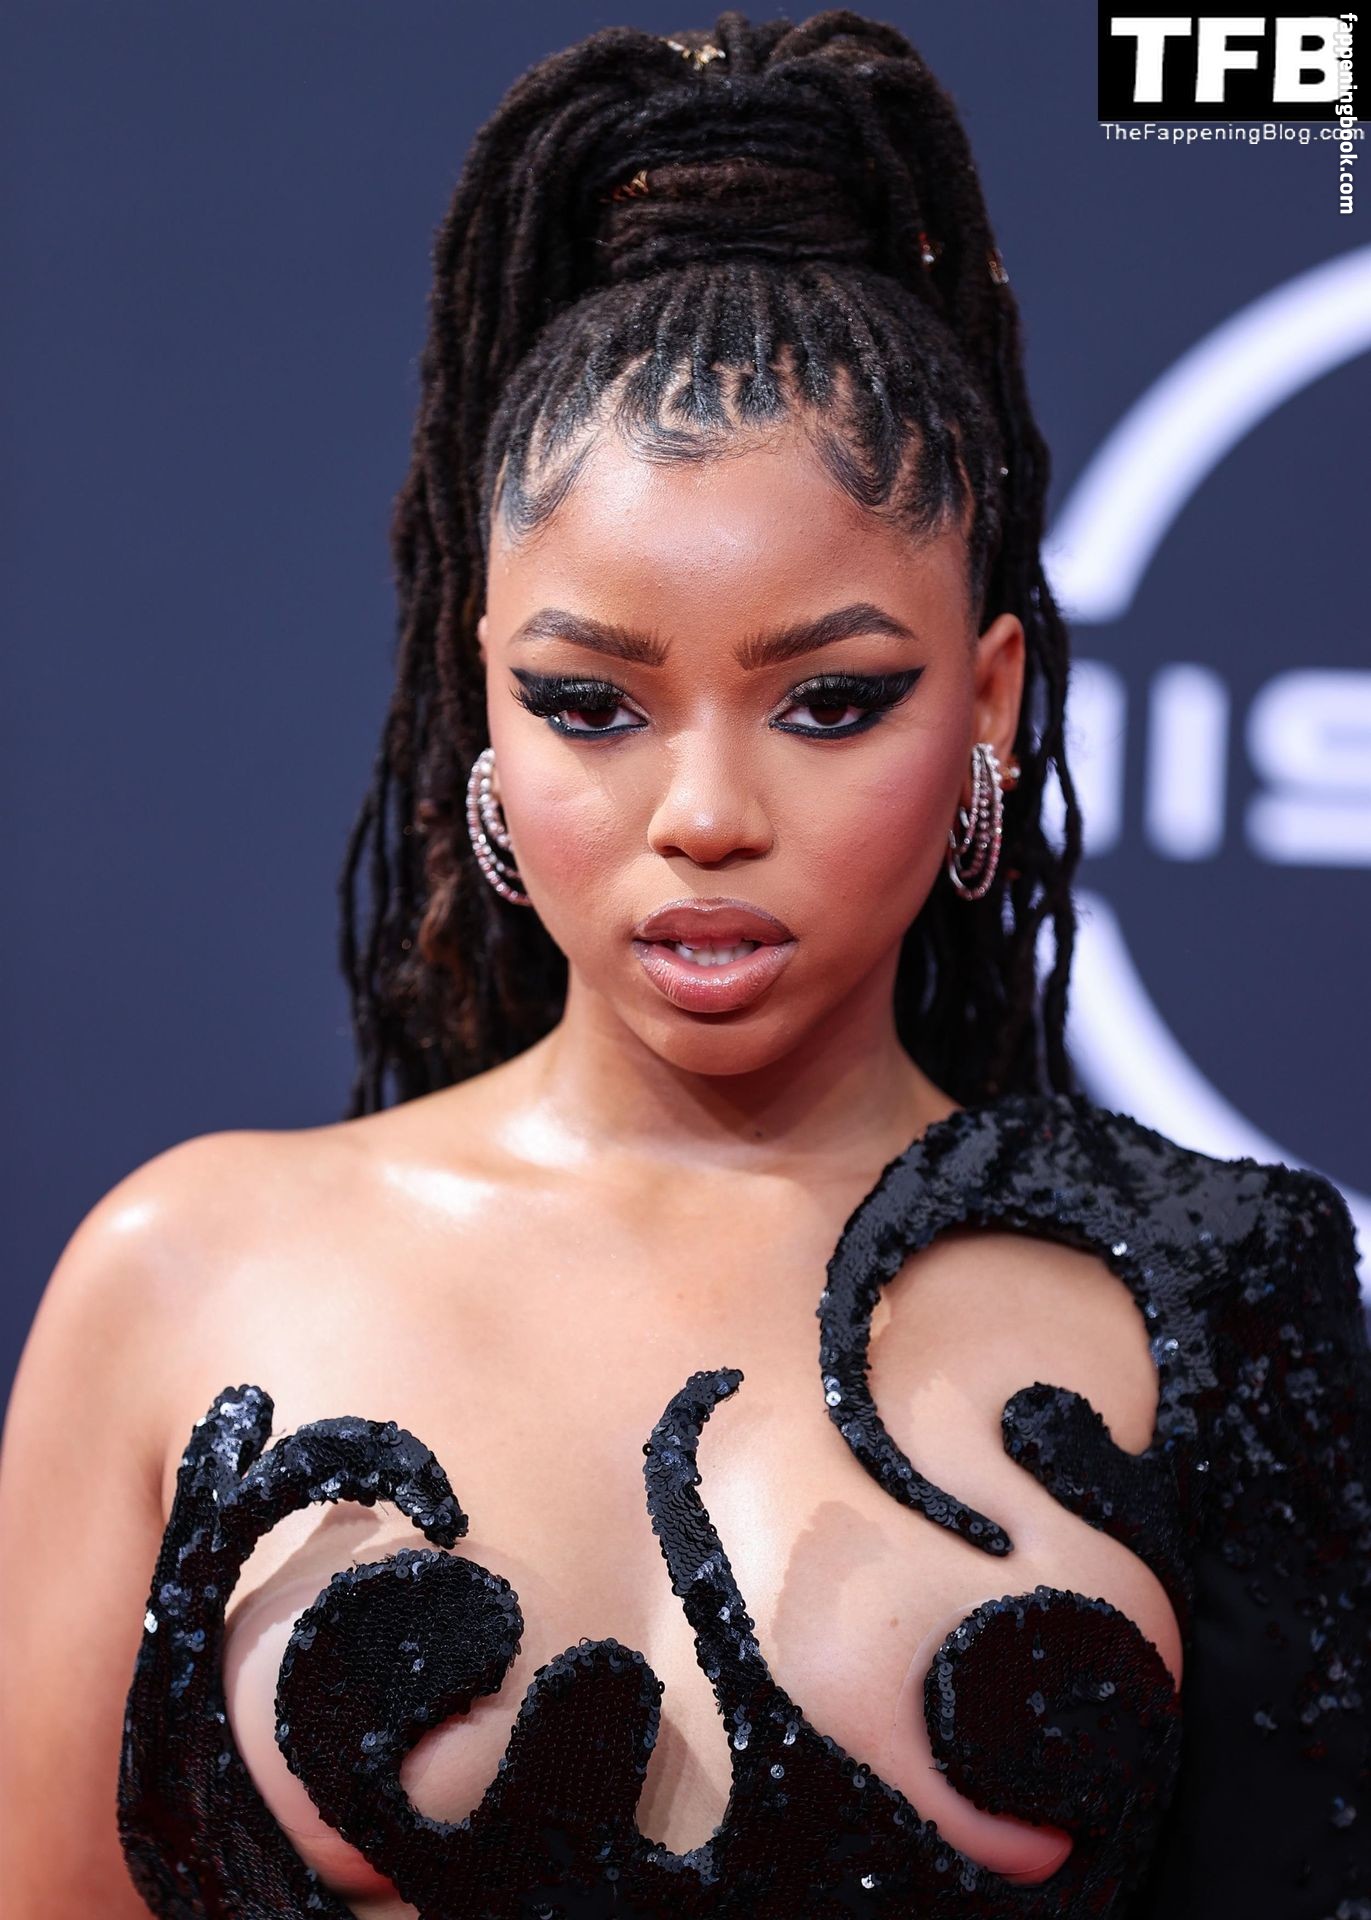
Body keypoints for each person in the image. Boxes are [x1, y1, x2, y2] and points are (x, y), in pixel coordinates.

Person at [1, 11, 1367, 1919]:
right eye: (591, 703)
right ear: (480, 695)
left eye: (831, 700)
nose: (706, 814)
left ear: (988, 703)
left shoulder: (1210, 1299)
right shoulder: (184, 1273)